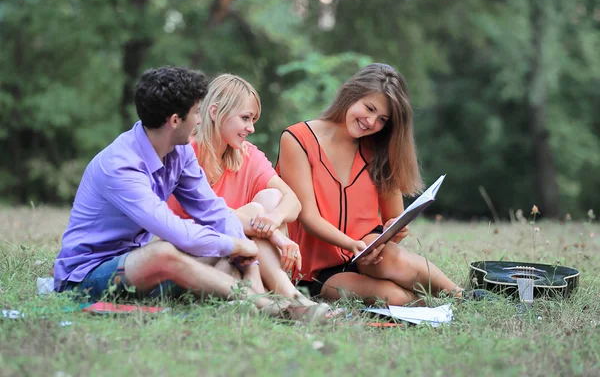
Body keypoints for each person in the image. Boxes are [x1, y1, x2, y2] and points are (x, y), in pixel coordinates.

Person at [53, 66, 324, 321]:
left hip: (136, 265)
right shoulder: (120, 166)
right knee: (163, 253)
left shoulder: (179, 152)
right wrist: (236, 245)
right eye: (196, 113)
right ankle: (263, 303)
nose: (199, 119)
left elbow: (212, 210)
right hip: (86, 277)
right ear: (174, 120)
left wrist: (245, 250)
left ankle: (261, 300)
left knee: (222, 245)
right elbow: (175, 230)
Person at [277, 63, 468, 305]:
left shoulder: (379, 149)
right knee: (396, 298)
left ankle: (465, 297)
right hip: (317, 271)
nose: (370, 122)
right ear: (351, 94)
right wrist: (353, 245)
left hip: (368, 253)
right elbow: (308, 217)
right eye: (369, 108)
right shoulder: (297, 139)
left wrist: (392, 233)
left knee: (393, 260)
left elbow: (395, 219)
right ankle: (420, 302)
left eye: (382, 119)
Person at [167, 74, 326, 312]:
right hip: (195, 254)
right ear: (214, 112)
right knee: (254, 213)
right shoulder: (185, 153)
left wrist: (273, 219)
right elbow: (211, 212)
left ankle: (267, 295)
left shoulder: (246, 154)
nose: (251, 128)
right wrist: (275, 234)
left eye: (252, 120)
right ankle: (282, 298)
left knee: (271, 199)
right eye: (245, 118)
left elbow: (292, 200)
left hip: (238, 254)